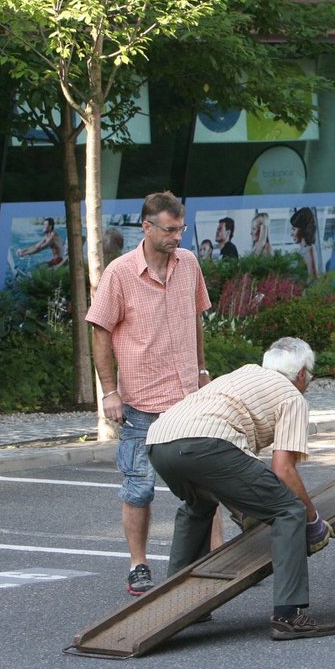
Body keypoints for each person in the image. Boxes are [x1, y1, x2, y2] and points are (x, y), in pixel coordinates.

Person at [146, 337, 335, 640]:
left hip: (159, 441)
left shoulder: (244, 373)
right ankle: (288, 616)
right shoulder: (292, 397)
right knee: (289, 510)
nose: (308, 382)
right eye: (309, 376)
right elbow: (283, 469)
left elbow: (238, 474)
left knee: (198, 505)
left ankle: (177, 602)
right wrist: (313, 521)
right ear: (301, 374)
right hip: (207, 443)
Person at [86, 190, 221, 598]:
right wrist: (109, 391)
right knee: (139, 487)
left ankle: (217, 555)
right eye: (170, 229)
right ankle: (138, 564)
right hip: (141, 402)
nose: (177, 237)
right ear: (146, 227)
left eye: (181, 228)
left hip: (188, 398)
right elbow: (100, 331)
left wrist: (201, 369)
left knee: (207, 481)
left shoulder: (189, 264)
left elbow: (197, 318)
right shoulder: (120, 273)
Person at [289, 207, 318, 278]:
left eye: (294, 229)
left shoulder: (308, 251)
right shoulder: (304, 250)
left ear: (303, 229)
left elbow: (312, 279)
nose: (291, 234)